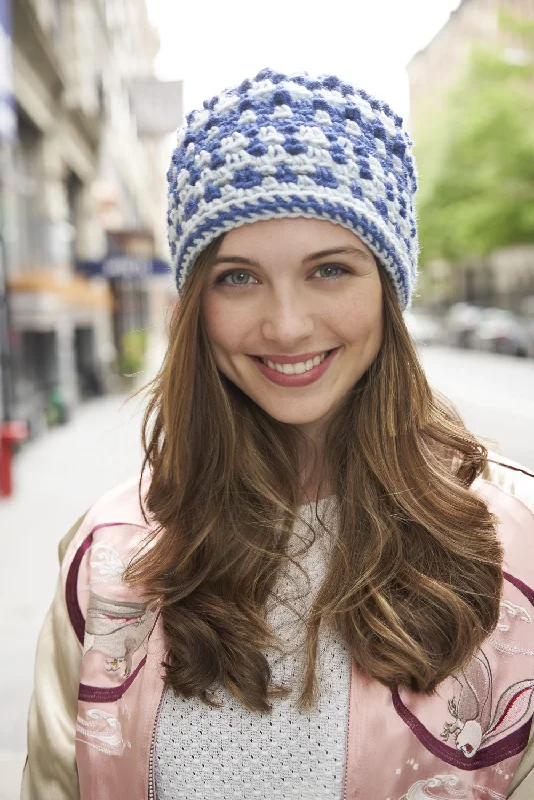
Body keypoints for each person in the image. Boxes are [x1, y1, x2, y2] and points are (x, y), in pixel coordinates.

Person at [22, 68, 534, 800]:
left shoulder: (518, 545)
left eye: (330, 269)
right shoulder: (110, 557)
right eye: (238, 278)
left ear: (388, 291)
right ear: (194, 302)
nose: (286, 324)